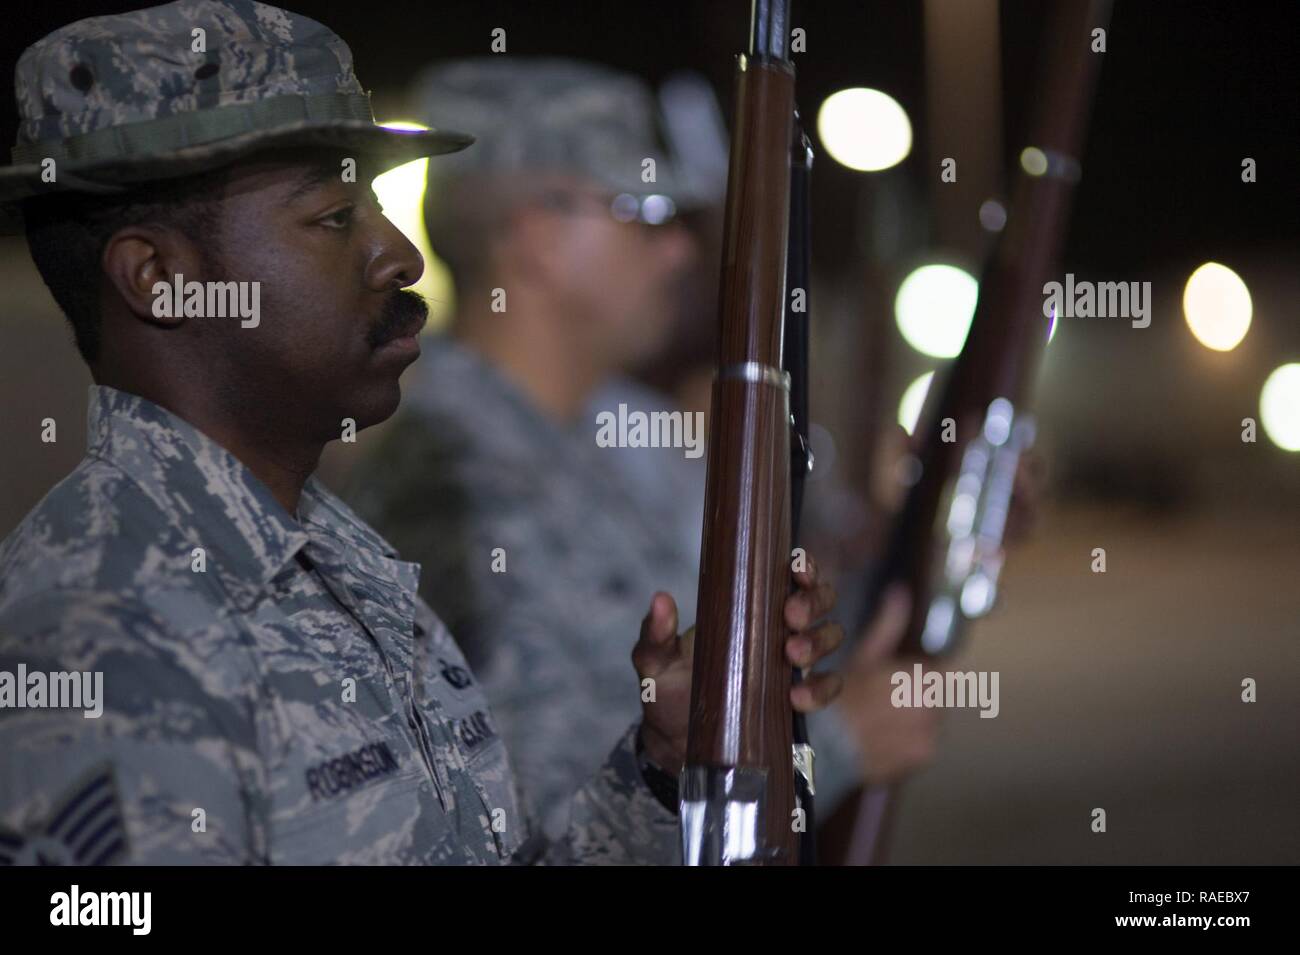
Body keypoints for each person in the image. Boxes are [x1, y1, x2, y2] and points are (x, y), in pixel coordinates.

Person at [0, 0, 841, 866]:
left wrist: (664, 764)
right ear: (160, 278)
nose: (401, 253)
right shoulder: (99, 633)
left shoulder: (338, 561)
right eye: (333, 218)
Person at [349, 58, 937, 843]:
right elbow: (522, 822)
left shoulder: (593, 442)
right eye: (648, 210)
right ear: (537, 238)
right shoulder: (453, 486)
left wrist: (943, 519)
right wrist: (833, 748)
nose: (679, 253)